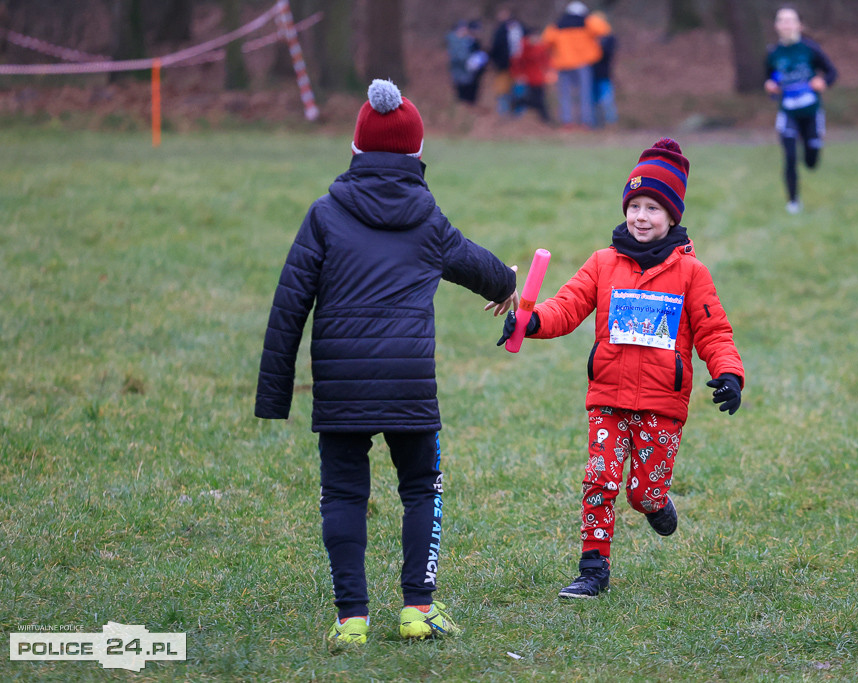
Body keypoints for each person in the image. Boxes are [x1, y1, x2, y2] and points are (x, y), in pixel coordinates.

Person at [255, 79, 519, 644]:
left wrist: (273, 396)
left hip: (341, 384)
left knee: (343, 494)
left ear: (354, 150)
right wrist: (508, 282)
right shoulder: (427, 219)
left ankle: (352, 619)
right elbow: (478, 265)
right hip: (408, 384)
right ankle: (417, 610)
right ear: (418, 156)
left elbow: (288, 306)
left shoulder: (325, 215)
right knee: (422, 485)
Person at [497, 138, 745, 598]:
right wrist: (529, 323)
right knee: (600, 480)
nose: (641, 216)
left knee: (641, 492)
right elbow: (567, 307)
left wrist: (729, 373)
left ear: (672, 216)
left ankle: (656, 503)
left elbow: (714, 332)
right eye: (634, 205)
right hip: (607, 397)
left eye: (653, 207)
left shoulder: (692, 274)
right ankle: (593, 569)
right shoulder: (602, 264)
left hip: (661, 404)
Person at [763, 5, 838, 214]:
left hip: (811, 112)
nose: (786, 24)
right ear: (777, 26)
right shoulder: (773, 54)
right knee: (789, 157)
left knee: (811, 160)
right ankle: (793, 202)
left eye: (790, 20)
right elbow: (771, 82)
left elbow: (832, 72)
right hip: (788, 113)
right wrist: (770, 88)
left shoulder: (810, 49)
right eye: (782, 20)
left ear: (799, 25)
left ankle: (813, 148)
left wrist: (823, 82)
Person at [541, 1, 611, 129]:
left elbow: (546, 40)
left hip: (563, 64)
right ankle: (586, 122)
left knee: (565, 94)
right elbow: (603, 29)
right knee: (585, 93)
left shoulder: (558, 25)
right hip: (582, 63)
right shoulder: (587, 22)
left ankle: (567, 122)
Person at [510, 28, 551, 123]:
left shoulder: (541, 47)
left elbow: (546, 60)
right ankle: (545, 119)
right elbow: (517, 61)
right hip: (528, 77)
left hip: (539, 77)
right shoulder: (523, 47)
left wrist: (548, 71)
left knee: (538, 99)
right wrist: (518, 74)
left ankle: (519, 102)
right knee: (538, 100)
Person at [489, 6, 525, 116]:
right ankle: (506, 114)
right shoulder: (519, 28)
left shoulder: (502, 30)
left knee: (514, 90)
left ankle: (515, 114)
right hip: (505, 66)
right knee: (503, 90)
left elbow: (495, 47)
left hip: (515, 65)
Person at [446, 20, 489, 105]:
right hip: (461, 73)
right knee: (462, 95)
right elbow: (457, 57)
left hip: (469, 74)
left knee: (469, 95)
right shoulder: (456, 41)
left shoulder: (468, 41)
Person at [590, 16, 617, 127]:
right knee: (594, 102)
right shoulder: (588, 39)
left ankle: (611, 123)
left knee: (607, 101)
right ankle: (596, 123)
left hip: (604, 75)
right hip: (592, 76)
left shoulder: (609, 39)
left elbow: (606, 54)